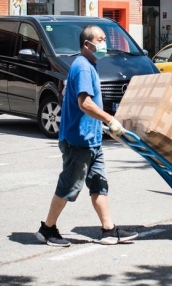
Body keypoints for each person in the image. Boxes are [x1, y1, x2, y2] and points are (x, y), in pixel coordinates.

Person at [36, 25, 135, 247]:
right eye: (100, 40)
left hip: (92, 140)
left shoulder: (89, 65)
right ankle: (47, 229)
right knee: (68, 186)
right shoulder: (82, 67)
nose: (104, 44)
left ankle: (108, 230)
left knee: (99, 184)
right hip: (78, 142)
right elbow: (85, 103)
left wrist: (101, 127)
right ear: (87, 44)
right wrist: (109, 119)